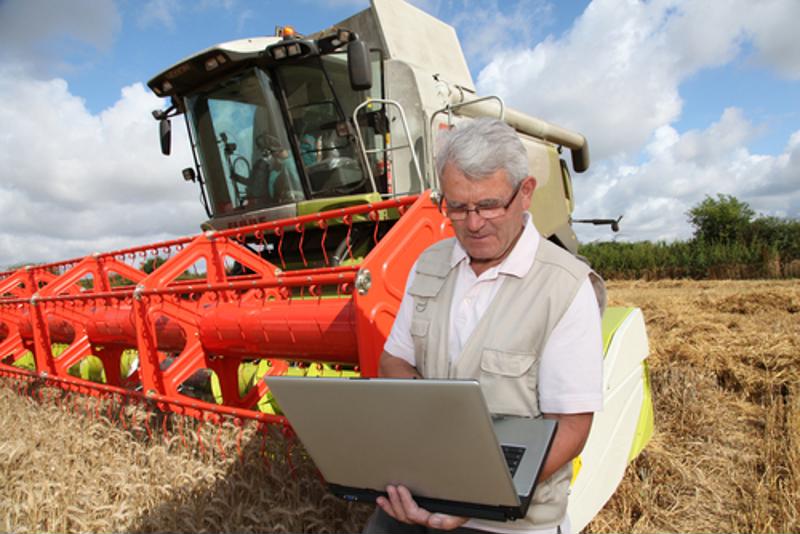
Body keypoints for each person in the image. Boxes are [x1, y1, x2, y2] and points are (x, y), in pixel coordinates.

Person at [363, 118, 605, 534]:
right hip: (424, 487)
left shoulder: (564, 287)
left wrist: (482, 497)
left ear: (525, 193)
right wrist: (430, 453)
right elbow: (394, 362)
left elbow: (571, 427)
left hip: (514, 517)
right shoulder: (430, 264)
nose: (473, 224)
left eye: (489, 205)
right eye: (457, 207)